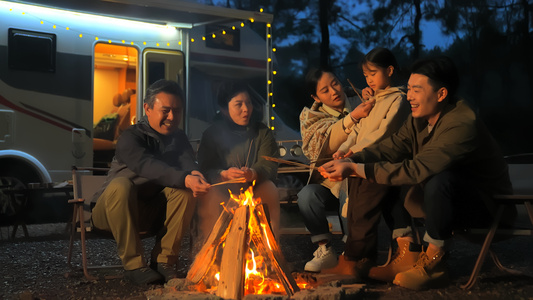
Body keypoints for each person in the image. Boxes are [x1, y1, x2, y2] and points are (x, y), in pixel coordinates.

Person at [318, 56, 514, 290]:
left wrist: (355, 168)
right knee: (381, 170)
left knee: (436, 179)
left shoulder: (462, 123)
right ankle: (407, 252)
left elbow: (418, 169)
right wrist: (352, 158)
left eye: (416, 90)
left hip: (487, 207)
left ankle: (435, 263)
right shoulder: (419, 119)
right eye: (408, 88)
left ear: (441, 94)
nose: (409, 96)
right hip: (446, 200)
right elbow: (389, 147)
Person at [91, 79, 211, 285]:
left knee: (184, 191)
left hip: (149, 214)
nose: (172, 117)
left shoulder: (178, 138)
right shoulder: (131, 138)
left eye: (177, 111)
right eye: (165, 110)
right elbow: (147, 165)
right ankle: (134, 266)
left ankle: (163, 262)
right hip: (111, 212)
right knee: (122, 185)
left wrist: (196, 176)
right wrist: (184, 177)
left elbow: (188, 163)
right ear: (147, 108)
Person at [320, 48, 411, 279]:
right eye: (366, 74)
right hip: (360, 158)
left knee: (362, 210)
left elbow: (383, 133)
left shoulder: (398, 99)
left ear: (389, 70)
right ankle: (362, 260)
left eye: (373, 73)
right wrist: (342, 151)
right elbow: (359, 129)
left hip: (380, 162)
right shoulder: (374, 100)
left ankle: (354, 260)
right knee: (357, 209)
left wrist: (354, 152)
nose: (368, 79)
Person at [297, 66, 376, 272]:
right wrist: (354, 117)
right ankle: (325, 250)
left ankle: (353, 252)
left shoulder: (360, 100)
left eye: (335, 83)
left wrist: (373, 97)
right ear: (316, 96)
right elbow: (328, 141)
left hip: (360, 175)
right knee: (307, 196)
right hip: (328, 180)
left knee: (348, 189)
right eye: (325, 90)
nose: (334, 91)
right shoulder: (311, 117)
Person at [197, 81, 280, 240]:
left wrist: (253, 173)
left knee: (270, 188)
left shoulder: (262, 132)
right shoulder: (212, 134)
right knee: (211, 195)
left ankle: (271, 248)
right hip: (223, 188)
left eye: (248, 103)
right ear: (224, 109)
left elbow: (269, 163)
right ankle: (213, 252)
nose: (246, 109)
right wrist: (223, 174)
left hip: (255, 187)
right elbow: (205, 167)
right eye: (238, 104)